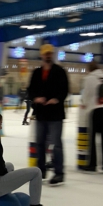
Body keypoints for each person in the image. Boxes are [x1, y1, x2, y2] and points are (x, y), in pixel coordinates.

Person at [28, 44, 69, 185]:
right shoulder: (36, 73)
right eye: (46, 53)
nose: (48, 56)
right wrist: (36, 98)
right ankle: (41, 171)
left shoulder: (59, 71)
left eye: (50, 53)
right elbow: (31, 90)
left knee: (56, 144)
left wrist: (56, 99)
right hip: (41, 114)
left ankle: (59, 173)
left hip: (55, 114)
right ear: (41, 55)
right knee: (39, 143)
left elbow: (64, 89)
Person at [79, 61, 103, 173]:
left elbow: (87, 94)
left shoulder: (89, 78)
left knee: (92, 137)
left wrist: (84, 103)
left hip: (97, 109)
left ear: (89, 69)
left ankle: (92, 164)